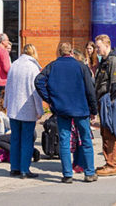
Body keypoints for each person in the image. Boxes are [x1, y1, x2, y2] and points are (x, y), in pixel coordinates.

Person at [34, 42, 97, 183]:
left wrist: (49, 99)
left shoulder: (52, 66)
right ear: (72, 52)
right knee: (86, 140)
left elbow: (38, 81)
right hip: (81, 109)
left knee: (64, 140)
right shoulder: (81, 66)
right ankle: (89, 173)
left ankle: (67, 174)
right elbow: (90, 89)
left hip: (61, 108)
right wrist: (93, 109)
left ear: (59, 52)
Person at [5, 43, 42, 178]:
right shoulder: (33, 68)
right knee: (27, 140)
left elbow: (8, 86)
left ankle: (14, 167)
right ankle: (25, 169)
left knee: (15, 138)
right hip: (27, 108)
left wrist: (6, 103)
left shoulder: (14, 65)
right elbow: (35, 91)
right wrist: (39, 110)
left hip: (13, 108)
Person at [93, 34, 116, 177]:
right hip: (103, 101)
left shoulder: (113, 60)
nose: (96, 49)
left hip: (109, 102)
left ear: (107, 45)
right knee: (104, 133)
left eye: (98, 47)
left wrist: (110, 103)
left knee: (110, 133)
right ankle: (108, 162)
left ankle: (112, 165)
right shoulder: (104, 61)